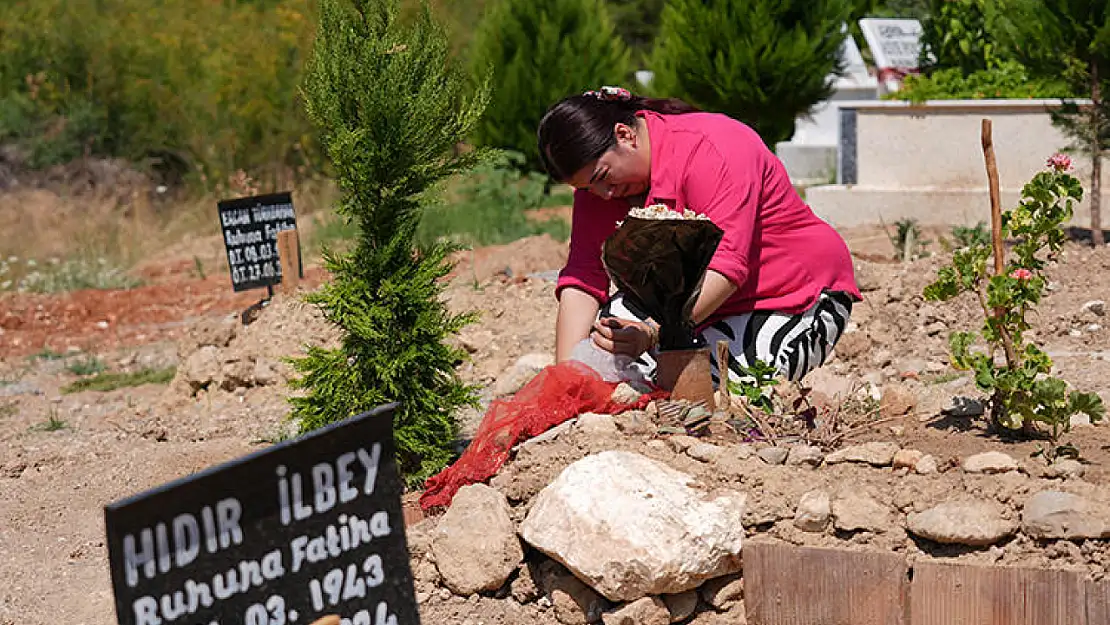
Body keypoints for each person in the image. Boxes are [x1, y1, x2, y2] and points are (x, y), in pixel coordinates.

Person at [537, 86, 862, 385]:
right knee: (601, 369)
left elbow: (726, 265)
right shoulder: (599, 187)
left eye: (602, 177)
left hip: (790, 297)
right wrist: (566, 374)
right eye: (587, 188)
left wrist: (652, 333)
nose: (603, 194)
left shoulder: (715, 149)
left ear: (625, 135)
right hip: (684, 305)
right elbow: (584, 276)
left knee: (734, 395)